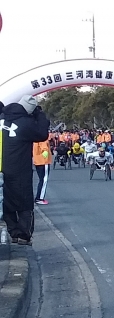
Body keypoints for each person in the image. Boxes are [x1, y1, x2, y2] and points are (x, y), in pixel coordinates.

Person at [0, 96, 50, 244]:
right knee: (25, 202)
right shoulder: (26, 123)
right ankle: (23, 234)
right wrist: (39, 115)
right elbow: (42, 134)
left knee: (6, 201)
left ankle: (13, 232)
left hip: (3, 167)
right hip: (20, 168)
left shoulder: (2, 118)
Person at [33, 138, 52, 205]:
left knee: (41, 180)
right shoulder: (43, 139)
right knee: (44, 180)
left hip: (37, 161)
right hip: (43, 162)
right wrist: (45, 158)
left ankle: (39, 197)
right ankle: (39, 198)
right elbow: (44, 149)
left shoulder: (35, 139)